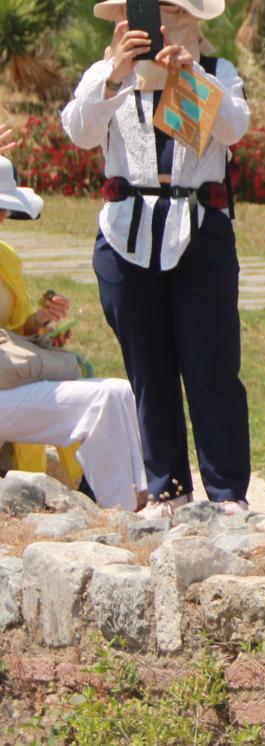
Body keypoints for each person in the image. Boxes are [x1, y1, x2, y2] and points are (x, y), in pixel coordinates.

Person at [60, 0, 252, 516]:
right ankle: (166, 490)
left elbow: (234, 129)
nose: (160, 23)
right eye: (148, 11)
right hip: (124, 232)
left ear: (192, 15)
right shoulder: (106, 74)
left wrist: (185, 75)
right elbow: (78, 131)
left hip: (200, 229)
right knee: (149, 368)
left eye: (171, 10)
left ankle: (226, 497)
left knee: (211, 365)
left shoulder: (216, 73)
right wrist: (119, 73)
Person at [0, 137, 146, 512]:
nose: (3, 217)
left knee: (117, 392)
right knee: (99, 401)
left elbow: (13, 330)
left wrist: (39, 327)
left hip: (8, 380)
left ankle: (130, 505)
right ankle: (117, 512)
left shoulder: (5, 259)